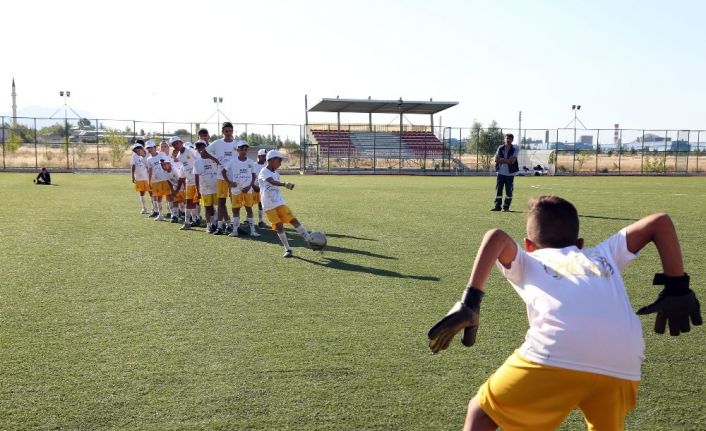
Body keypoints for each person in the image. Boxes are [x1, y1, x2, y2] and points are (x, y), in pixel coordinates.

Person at [428, 195, 702, 431]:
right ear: (580, 243)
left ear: (529, 244)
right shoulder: (603, 254)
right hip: (624, 361)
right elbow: (660, 221)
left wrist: (471, 301)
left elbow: (496, 237)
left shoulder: (529, 259)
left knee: (481, 412)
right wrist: (677, 286)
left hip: (556, 351)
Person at [258, 150, 313, 257]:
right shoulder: (264, 171)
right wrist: (284, 184)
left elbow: (274, 183)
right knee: (279, 226)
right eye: (279, 160)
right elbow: (271, 181)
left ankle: (309, 240)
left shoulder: (277, 174)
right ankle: (288, 249)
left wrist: (282, 184)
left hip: (279, 202)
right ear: (272, 160)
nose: (280, 163)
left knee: (293, 219)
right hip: (268, 205)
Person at [202, 122, 238, 235]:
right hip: (221, 176)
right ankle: (220, 227)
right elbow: (204, 153)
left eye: (230, 131)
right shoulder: (217, 143)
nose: (228, 133)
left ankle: (235, 227)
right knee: (221, 202)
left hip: (234, 177)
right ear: (222, 132)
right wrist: (216, 160)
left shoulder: (237, 144)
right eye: (226, 131)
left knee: (235, 202)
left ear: (233, 131)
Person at [224, 141, 260, 237]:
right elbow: (224, 172)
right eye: (242, 149)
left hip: (247, 190)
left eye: (245, 149)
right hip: (236, 190)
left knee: (249, 208)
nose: (244, 151)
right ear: (238, 150)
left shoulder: (250, 162)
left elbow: (253, 175)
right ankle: (235, 230)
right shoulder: (232, 161)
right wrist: (230, 182)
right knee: (236, 210)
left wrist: (249, 186)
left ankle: (253, 230)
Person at [193, 140, 220, 233]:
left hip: (216, 187)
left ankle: (215, 223)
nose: (201, 150)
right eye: (199, 148)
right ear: (196, 150)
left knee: (216, 206)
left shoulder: (213, 158)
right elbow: (196, 177)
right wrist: (197, 190)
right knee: (207, 207)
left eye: (203, 147)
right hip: (204, 188)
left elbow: (219, 164)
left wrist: (209, 156)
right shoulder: (197, 162)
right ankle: (209, 225)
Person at [174, 139, 200, 230]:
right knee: (189, 203)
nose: (176, 145)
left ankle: (215, 223)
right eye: (174, 144)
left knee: (206, 203)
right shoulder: (179, 156)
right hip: (189, 183)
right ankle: (188, 222)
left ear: (181, 142)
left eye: (177, 143)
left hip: (199, 181)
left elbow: (199, 159)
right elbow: (184, 169)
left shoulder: (190, 150)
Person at [491, 133, 519, 212]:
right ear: (504, 139)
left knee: (509, 191)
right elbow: (496, 159)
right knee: (498, 190)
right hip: (500, 173)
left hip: (510, 174)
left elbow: (512, 161)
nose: (508, 140)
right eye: (506, 138)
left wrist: (502, 159)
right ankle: (497, 206)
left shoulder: (515, 148)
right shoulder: (500, 147)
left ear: (512, 140)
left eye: (509, 139)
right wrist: (507, 160)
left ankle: (506, 207)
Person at [130, 142, 149, 213]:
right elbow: (133, 165)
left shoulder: (147, 154)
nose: (137, 151)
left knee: (151, 193)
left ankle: (154, 209)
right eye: (135, 150)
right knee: (141, 193)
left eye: (138, 149)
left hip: (147, 177)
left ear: (142, 148)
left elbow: (149, 167)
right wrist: (132, 176)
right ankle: (144, 208)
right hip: (139, 177)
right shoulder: (134, 156)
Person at [252, 148, 268, 227]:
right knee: (249, 204)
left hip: (261, 188)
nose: (264, 158)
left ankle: (260, 221)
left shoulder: (266, 166)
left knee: (260, 204)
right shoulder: (253, 165)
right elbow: (250, 177)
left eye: (265, 156)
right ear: (258, 156)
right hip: (252, 188)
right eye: (263, 156)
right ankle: (249, 220)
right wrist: (253, 186)